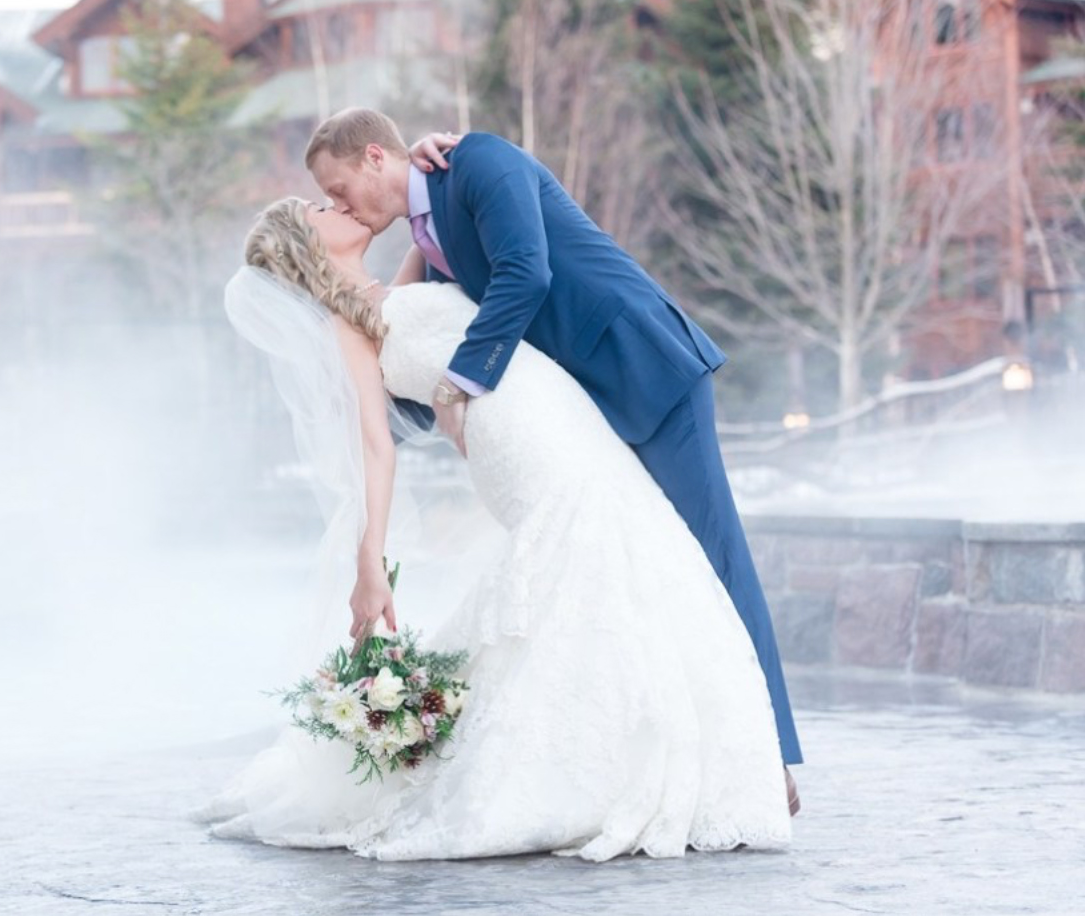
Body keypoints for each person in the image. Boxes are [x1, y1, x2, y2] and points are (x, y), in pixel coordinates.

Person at [199, 194, 790, 860]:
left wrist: (426, 173)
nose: (334, 202)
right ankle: (596, 770)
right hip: (518, 439)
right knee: (588, 544)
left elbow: (427, 229)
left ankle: (672, 749)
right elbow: (375, 445)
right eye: (317, 207)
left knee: (632, 540)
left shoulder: (386, 291)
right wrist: (371, 562)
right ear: (308, 244)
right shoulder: (344, 327)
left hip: (555, 410)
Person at [310, 109, 802, 804]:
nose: (338, 205)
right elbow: (410, 343)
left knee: (713, 555)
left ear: (371, 158)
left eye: (338, 188)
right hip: (579, 409)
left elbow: (526, 272)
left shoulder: (478, 161)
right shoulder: (424, 230)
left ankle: (769, 757)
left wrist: (460, 383)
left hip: (643, 366)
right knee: (649, 569)